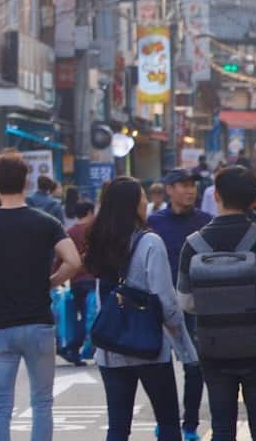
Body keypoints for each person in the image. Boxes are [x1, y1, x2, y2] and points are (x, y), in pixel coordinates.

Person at [0, 152, 84, 441]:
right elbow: (74, 261)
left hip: (1, 325)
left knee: (1, 406)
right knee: (42, 402)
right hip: (39, 322)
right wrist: (51, 283)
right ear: (26, 181)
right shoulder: (45, 222)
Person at [176, 167, 256, 441]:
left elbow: (185, 301)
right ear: (255, 198)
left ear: (216, 195)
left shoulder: (193, 245)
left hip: (214, 347)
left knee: (222, 427)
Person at [88, 178, 198, 441]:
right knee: (169, 422)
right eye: (142, 197)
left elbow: (101, 295)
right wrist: (183, 346)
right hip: (149, 346)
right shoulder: (150, 242)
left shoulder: (98, 239)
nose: (146, 201)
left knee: (118, 426)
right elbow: (166, 301)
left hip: (110, 346)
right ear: (134, 204)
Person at [147, 169, 214, 441]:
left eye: (192, 186)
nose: (189, 191)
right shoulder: (154, 222)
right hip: (159, 303)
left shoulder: (206, 222)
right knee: (158, 366)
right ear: (169, 189)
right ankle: (166, 421)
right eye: (183, 185)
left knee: (194, 366)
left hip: (194, 304)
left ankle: (190, 425)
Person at [58, 201, 98, 366]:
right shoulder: (94, 231)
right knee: (92, 316)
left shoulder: (69, 232)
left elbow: (59, 256)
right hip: (92, 280)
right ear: (89, 212)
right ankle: (84, 347)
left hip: (75, 281)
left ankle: (73, 348)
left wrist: (56, 277)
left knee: (80, 316)